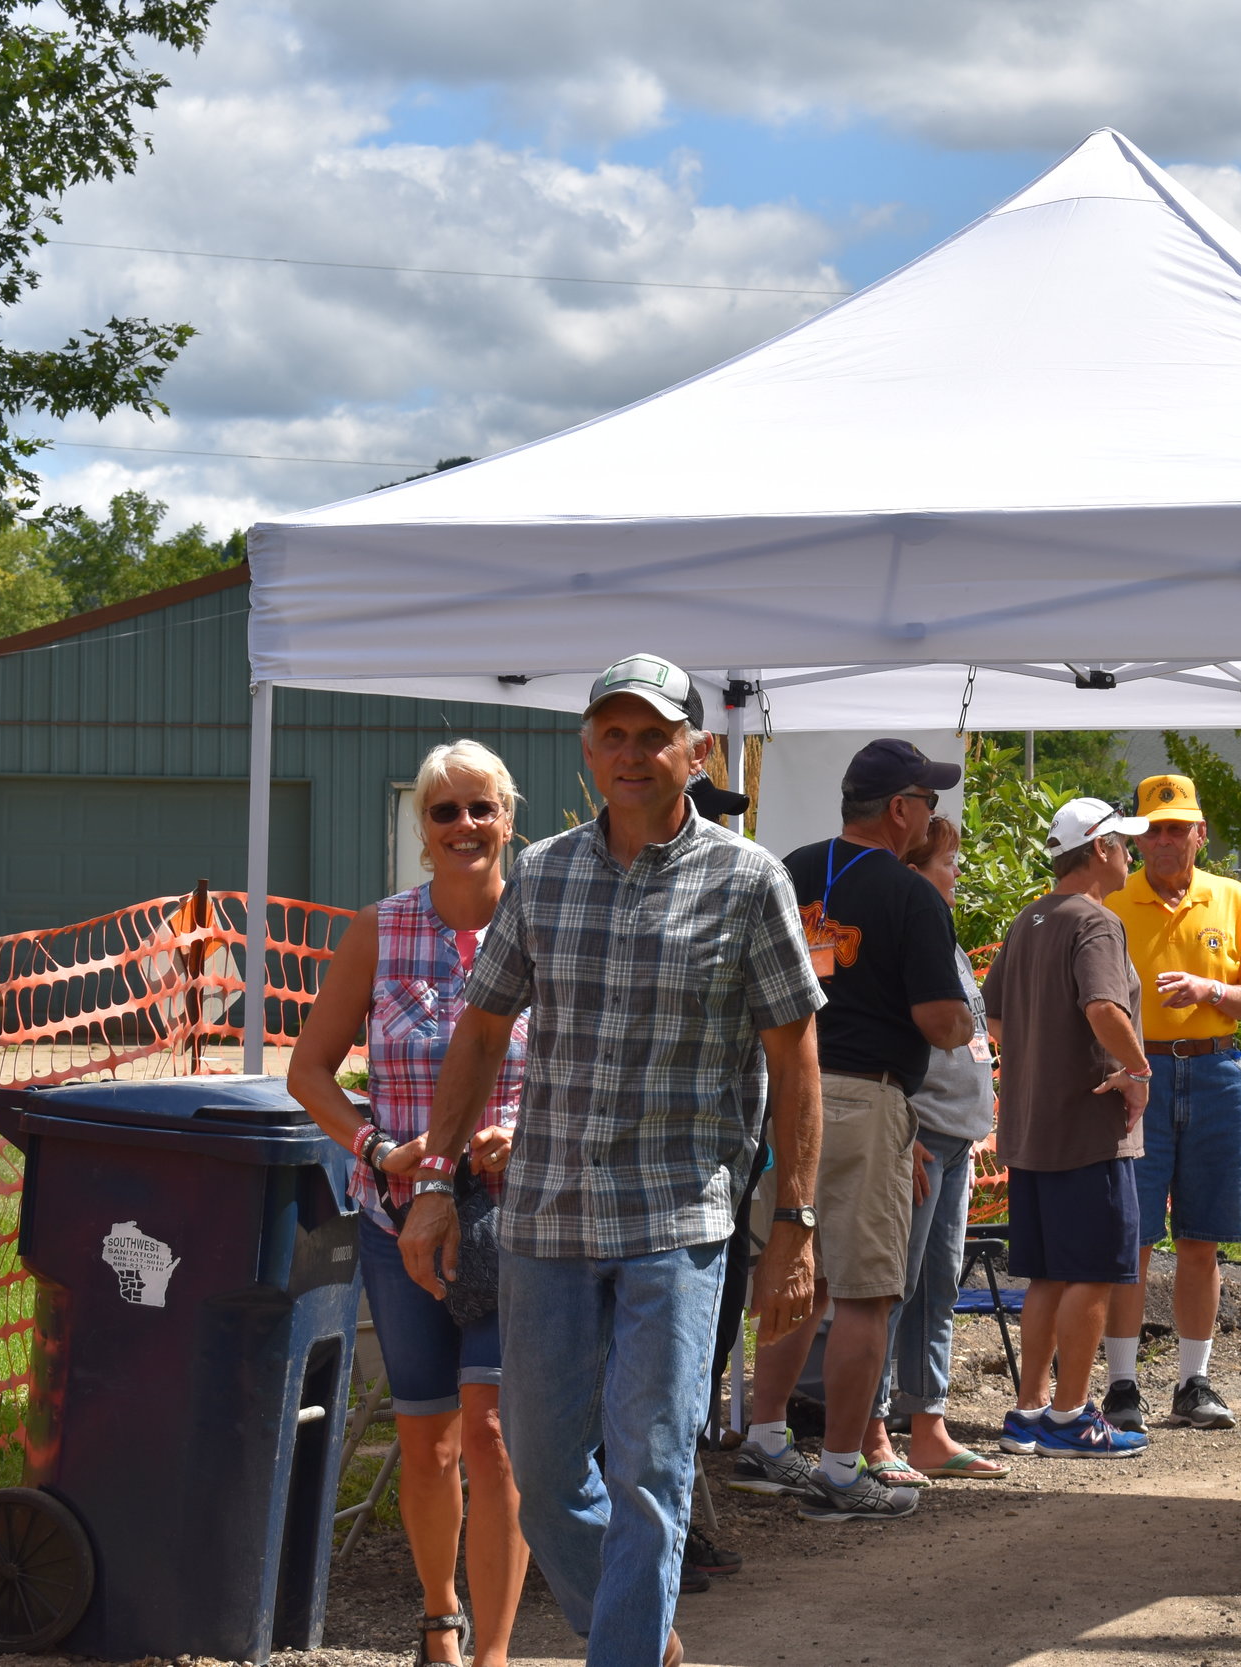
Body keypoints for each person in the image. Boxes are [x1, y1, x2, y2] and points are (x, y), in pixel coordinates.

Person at [401, 654, 827, 1667]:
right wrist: (433, 1183)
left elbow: (795, 1055)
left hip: (679, 1218)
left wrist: (796, 1222)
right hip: (546, 1216)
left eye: (653, 735)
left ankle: (623, 1652)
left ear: (696, 749)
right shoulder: (543, 871)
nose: (632, 754)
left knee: (649, 1462)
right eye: (613, 735)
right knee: (547, 1469)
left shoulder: (745, 878)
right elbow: (481, 1030)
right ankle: (639, 1631)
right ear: (588, 749)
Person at [289, 740, 530, 1667]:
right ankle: (440, 1613)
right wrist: (378, 1147)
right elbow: (308, 1071)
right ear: (421, 831)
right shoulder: (378, 930)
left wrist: (529, 1132)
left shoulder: (544, 923)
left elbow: (589, 1067)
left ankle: (497, 1651)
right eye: (444, 811)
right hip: (399, 1224)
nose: (464, 826)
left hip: (516, 1219)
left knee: (495, 1435)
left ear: (509, 818)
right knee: (426, 1437)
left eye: (481, 808)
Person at [735, 738, 976, 1521]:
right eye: (928, 802)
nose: (930, 817)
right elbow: (940, 1021)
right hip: (867, 1097)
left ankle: (766, 1437)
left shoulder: (786, 869)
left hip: (783, 1092)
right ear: (900, 809)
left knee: (792, 1270)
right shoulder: (913, 898)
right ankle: (843, 1464)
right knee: (868, 1289)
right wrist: (970, 1020)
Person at [1101, 774, 1241, 1434]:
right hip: (1136, 1072)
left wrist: (1208, 989)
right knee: (1134, 1235)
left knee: (1202, 1238)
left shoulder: (1230, 900)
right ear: (1137, 837)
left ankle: (1192, 1380)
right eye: (1154, 827)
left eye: (1179, 826)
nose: (1166, 838)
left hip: (1216, 1072)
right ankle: (1122, 1385)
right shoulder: (1113, 899)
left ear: (1202, 834)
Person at [982, 796, 1154, 1461]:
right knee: (1093, 1271)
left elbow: (993, 1021)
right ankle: (1070, 1414)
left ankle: (1030, 1409)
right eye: (1125, 844)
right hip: (1088, 1129)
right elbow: (1105, 1005)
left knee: (1048, 1273)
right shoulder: (1096, 922)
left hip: (1032, 1130)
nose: (1131, 855)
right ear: (1101, 848)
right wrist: (1136, 1066)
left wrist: (1038, 1063)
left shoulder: (1030, 919)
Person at [858, 815, 1009, 1481]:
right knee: (890, 1284)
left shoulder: (941, 938)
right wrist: (905, 1127)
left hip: (954, 1139)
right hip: (918, 1138)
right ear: (915, 872)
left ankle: (929, 1425)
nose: (959, 873)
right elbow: (882, 1046)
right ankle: (871, 1430)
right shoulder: (900, 936)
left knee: (936, 1283)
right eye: (949, 862)